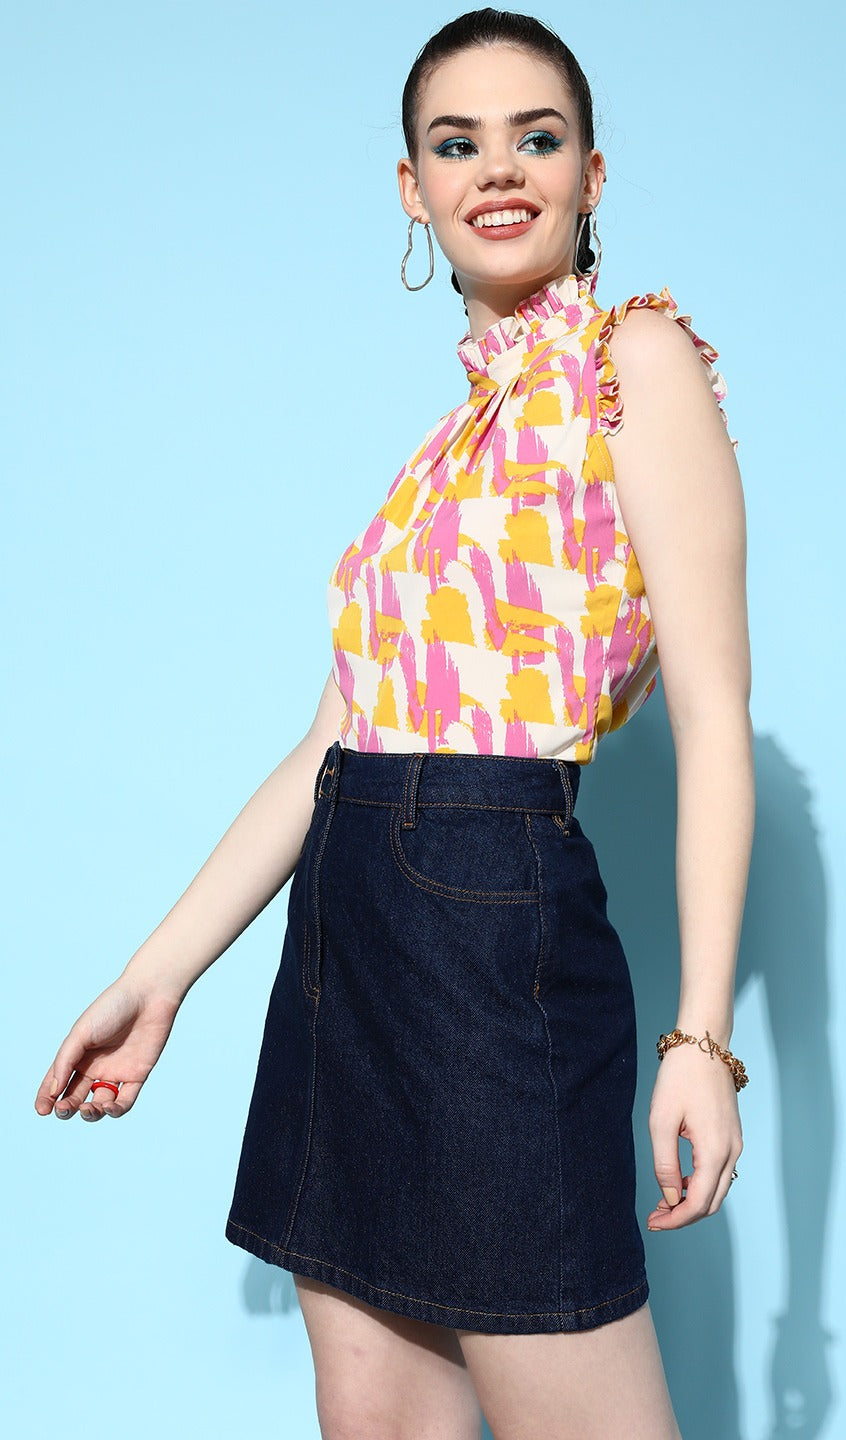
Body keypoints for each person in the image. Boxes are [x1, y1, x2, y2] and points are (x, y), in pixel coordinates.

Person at [33, 9, 753, 1438]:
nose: (500, 169)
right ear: (414, 189)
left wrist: (703, 1038)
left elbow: (717, 722)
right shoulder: (443, 449)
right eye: (457, 143)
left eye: (537, 137)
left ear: (592, 172)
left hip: (495, 925)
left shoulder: (634, 362)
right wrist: (158, 979)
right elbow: (333, 747)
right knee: (380, 1424)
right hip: (343, 935)